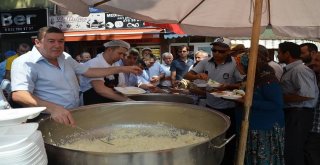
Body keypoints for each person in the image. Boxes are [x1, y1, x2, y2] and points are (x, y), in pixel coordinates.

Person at [10, 26, 142, 126]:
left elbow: (89, 71)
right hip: (47, 117)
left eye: (61, 41)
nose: (57, 45)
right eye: (51, 41)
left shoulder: (65, 57)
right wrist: (53, 108)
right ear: (37, 42)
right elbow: (19, 94)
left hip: (74, 112)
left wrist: (122, 68)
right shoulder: (24, 62)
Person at [184, 37, 245, 165]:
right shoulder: (206, 62)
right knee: (210, 137)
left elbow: (242, 84)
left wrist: (227, 86)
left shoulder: (235, 63)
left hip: (228, 107)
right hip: (210, 105)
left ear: (228, 51)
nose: (216, 53)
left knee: (228, 140)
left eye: (221, 51)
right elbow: (187, 76)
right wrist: (197, 75)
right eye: (214, 50)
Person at [236, 45, 285, 164]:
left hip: (264, 129)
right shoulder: (252, 78)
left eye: (239, 64)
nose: (237, 67)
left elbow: (276, 104)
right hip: (252, 127)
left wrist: (249, 101)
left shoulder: (267, 79)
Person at [277, 42, 318, 165]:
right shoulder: (292, 69)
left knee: (294, 149)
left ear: (287, 54)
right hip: (294, 113)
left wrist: (280, 98)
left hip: (299, 114)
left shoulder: (300, 70)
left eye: (279, 53)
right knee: (291, 149)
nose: (277, 55)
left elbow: (307, 94)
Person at [80, 40, 132, 105]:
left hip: (110, 104)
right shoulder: (94, 63)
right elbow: (101, 90)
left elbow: (121, 85)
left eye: (123, 54)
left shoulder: (116, 64)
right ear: (109, 50)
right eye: (119, 53)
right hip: (93, 104)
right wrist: (127, 100)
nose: (121, 57)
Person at [305, 52, 320, 165]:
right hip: (314, 127)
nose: (313, 63)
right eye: (313, 60)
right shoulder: (316, 77)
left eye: (317, 61)